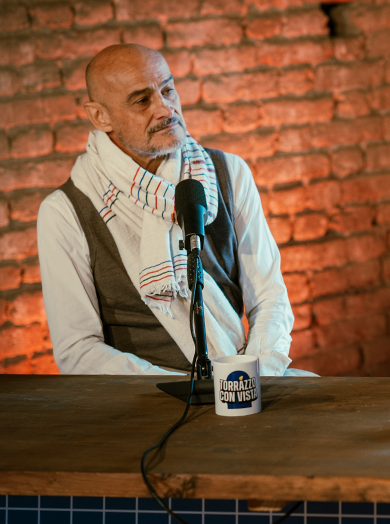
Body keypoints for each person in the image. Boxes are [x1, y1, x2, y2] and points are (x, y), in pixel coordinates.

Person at [37, 44, 304, 376]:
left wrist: (252, 377)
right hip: (143, 398)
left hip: (243, 379)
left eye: (167, 90)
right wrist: (185, 392)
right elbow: (78, 351)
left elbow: (269, 297)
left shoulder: (228, 173)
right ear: (100, 116)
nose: (165, 109)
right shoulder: (64, 212)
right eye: (142, 101)